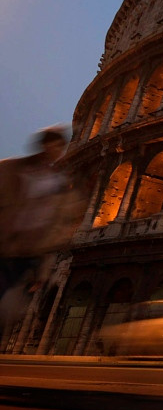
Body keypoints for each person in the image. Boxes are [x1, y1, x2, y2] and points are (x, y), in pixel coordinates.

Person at [0, 127, 84, 333]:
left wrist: (46, 264)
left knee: (11, 306)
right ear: (42, 146)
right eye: (51, 146)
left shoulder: (60, 182)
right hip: (7, 245)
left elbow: (61, 221)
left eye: (59, 148)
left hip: (33, 250)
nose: (54, 151)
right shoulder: (13, 169)